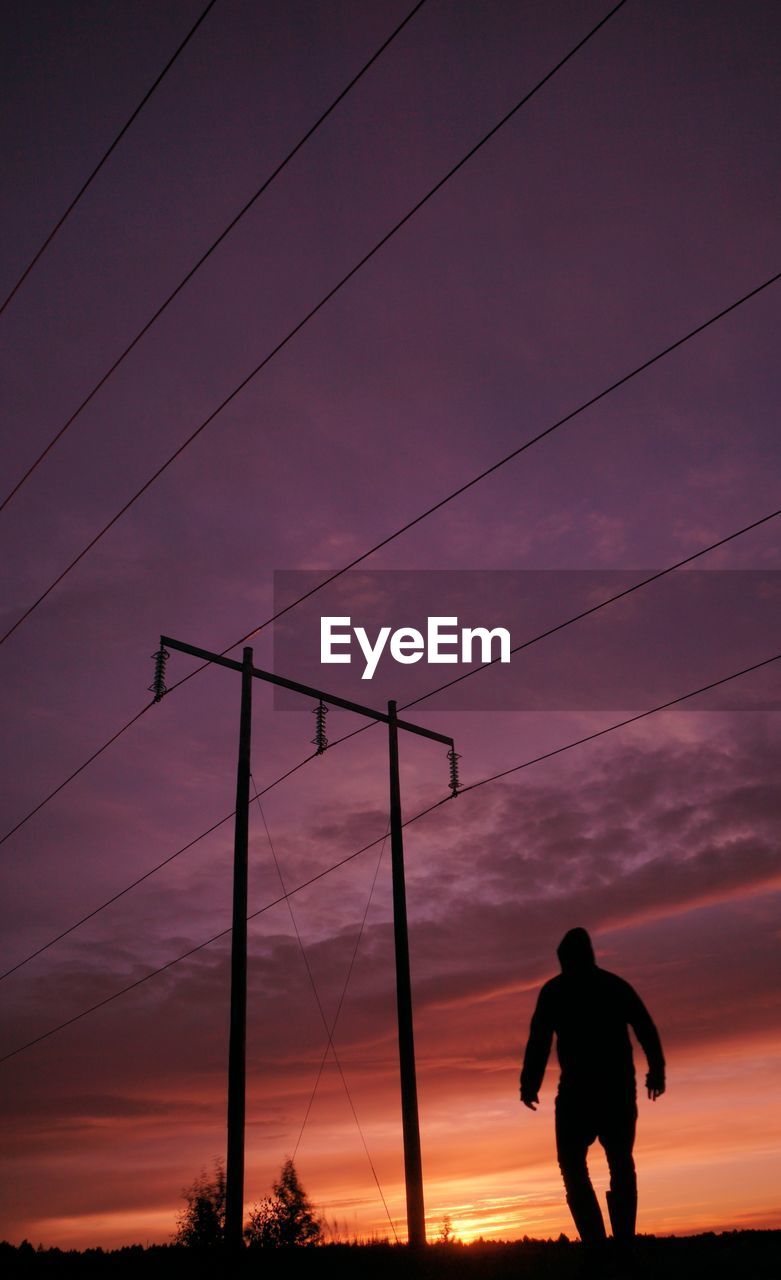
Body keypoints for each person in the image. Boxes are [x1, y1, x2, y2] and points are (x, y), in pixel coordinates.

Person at [520, 927, 665, 1254]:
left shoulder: (567, 990)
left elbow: (644, 1027)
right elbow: (539, 1040)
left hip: (602, 1091)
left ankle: (612, 1244)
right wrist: (529, 1082)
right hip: (589, 1092)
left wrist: (657, 1070)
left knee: (610, 1163)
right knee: (587, 1165)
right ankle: (604, 1245)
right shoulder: (602, 987)